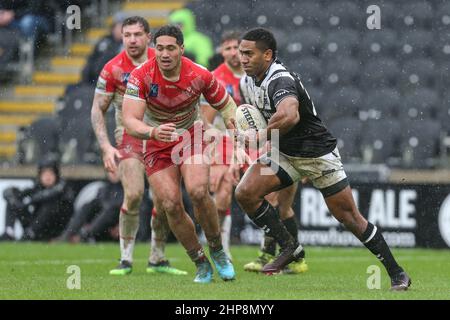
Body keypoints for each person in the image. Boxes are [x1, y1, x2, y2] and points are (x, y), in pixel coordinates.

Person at [235, 28, 411, 291]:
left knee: (350, 218)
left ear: (268, 54)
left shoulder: (279, 79)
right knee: (245, 193)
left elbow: (290, 115)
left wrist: (260, 135)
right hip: (285, 153)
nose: (243, 59)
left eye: (249, 54)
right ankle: (289, 247)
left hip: (317, 154)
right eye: (241, 53)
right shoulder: (246, 82)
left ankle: (398, 274)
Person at [122, 25, 238, 283]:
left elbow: (226, 105)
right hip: (156, 141)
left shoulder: (199, 74)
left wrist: (234, 123)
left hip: (190, 136)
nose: (164, 54)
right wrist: (152, 133)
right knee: (171, 204)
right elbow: (129, 119)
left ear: (181, 49)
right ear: (155, 49)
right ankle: (200, 261)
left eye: (170, 48)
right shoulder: (141, 76)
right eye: (160, 48)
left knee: (198, 191)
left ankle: (217, 250)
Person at [91, 16, 186, 276]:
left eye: (137, 34)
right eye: (127, 35)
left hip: (160, 135)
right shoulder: (112, 68)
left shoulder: (164, 57)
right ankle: (126, 259)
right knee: (133, 195)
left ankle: (157, 258)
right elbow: (97, 109)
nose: (132, 40)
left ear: (148, 37)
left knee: (165, 200)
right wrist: (105, 146)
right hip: (130, 135)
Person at [200, 30, 244, 259]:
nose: (232, 52)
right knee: (223, 193)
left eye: (236, 47)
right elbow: (205, 120)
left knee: (270, 194)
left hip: (258, 139)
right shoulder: (215, 79)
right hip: (226, 139)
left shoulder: (257, 75)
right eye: (227, 48)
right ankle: (222, 249)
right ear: (221, 52)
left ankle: (270, 251)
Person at [0, 157, 73, 241]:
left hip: (53, 229)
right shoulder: (37, 187)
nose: (47, 177)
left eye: (50, 174)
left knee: (50, 204)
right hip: (36, 226)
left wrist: (30, 200)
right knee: (12, 201)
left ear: (56, 175)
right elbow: (10, 192)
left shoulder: (62, 188)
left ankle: (30, 233)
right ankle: (9, 232)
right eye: (44, 174)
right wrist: (14, 200)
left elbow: (49, 195)